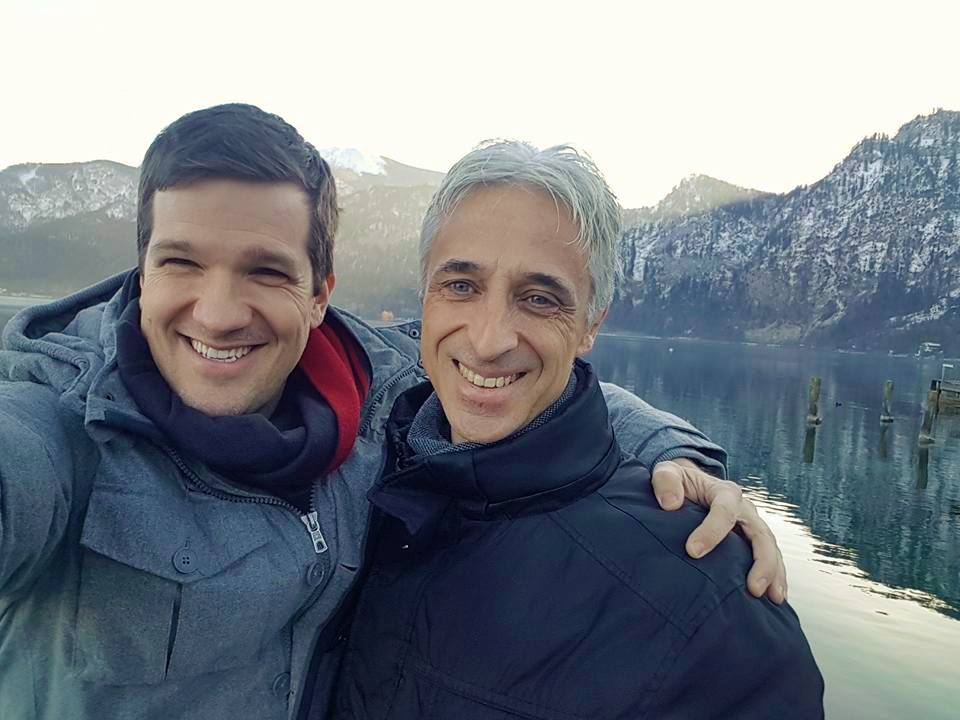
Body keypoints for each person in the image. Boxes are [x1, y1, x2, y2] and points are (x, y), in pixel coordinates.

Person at [0, 105, 783, 720]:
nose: (219, 312)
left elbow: (529, 381)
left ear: (320, 295)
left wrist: (677, 457)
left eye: (266, 271)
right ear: (141, 272)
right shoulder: (65, 427)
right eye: (182, 263)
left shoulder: (372, 389)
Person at [332, 142, 824, 719]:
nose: (489, 341)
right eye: (461, 286)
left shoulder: (710, 609)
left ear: (591, 325)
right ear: (425, 296)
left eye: (540, 299)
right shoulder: (360, 466)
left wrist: (681, 453)